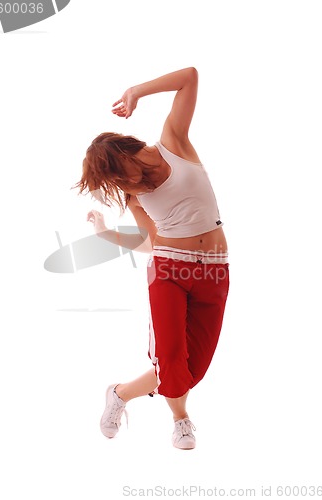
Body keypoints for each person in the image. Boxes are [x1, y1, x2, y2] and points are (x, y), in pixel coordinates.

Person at [75, 67, 230, 450]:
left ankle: (120, 393)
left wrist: (136, 91)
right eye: (116, 184)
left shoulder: (172, 144)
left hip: (215, 268)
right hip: (168, 270)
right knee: (171, 355)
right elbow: (152, 241)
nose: (124, 186)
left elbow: (191, 77)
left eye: (120, 176)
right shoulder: (134, 196)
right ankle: (181, 420)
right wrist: (105, 235)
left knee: (195, 367)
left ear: (126, 153)